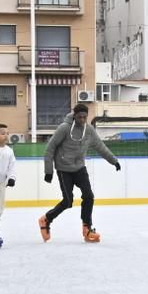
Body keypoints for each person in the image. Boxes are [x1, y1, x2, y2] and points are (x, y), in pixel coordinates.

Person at [41, 103, 120, 243]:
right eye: (79, 117)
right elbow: (50, 148)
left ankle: (87, 228)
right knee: (68, 201)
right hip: (63, 168)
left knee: (89, 196)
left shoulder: (89, 130)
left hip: (79, 168)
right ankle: (46, 219)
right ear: (74, 115)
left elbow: (101, 147)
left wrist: (113, 161)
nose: (82, 120)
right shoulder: (64, 128)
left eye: (85, 117)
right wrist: (48, 171)